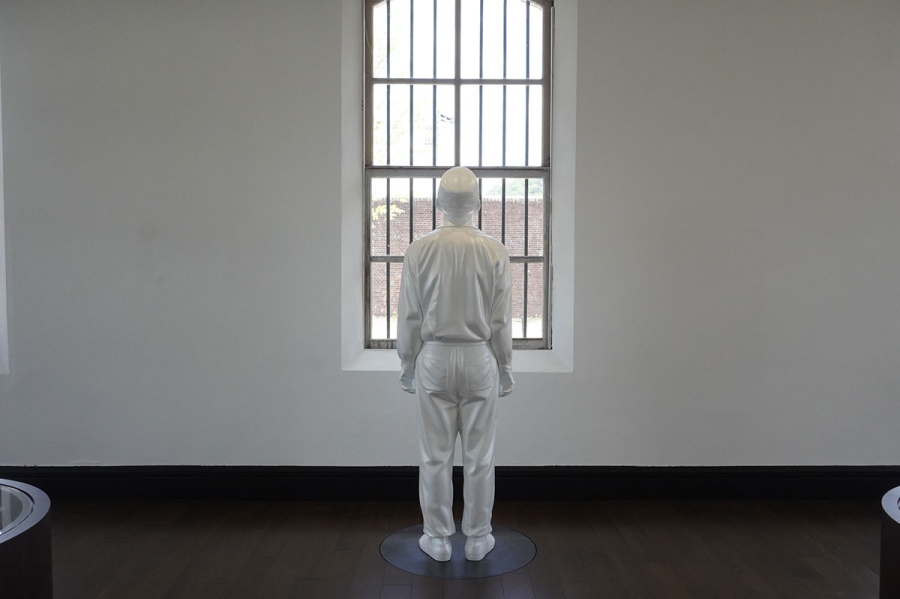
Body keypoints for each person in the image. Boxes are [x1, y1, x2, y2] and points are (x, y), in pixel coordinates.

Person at [397, 166, 514, 563]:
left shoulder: (419, 250)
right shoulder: (494, 250)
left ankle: (437, 538)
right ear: (477, 203)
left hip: (434, 357)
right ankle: (479, 538)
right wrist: (506, 366)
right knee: (481, 456)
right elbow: (500, 321)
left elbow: (410, 316)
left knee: (435, 455)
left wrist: (407, 362)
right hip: (480, 357)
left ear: (439, 203)